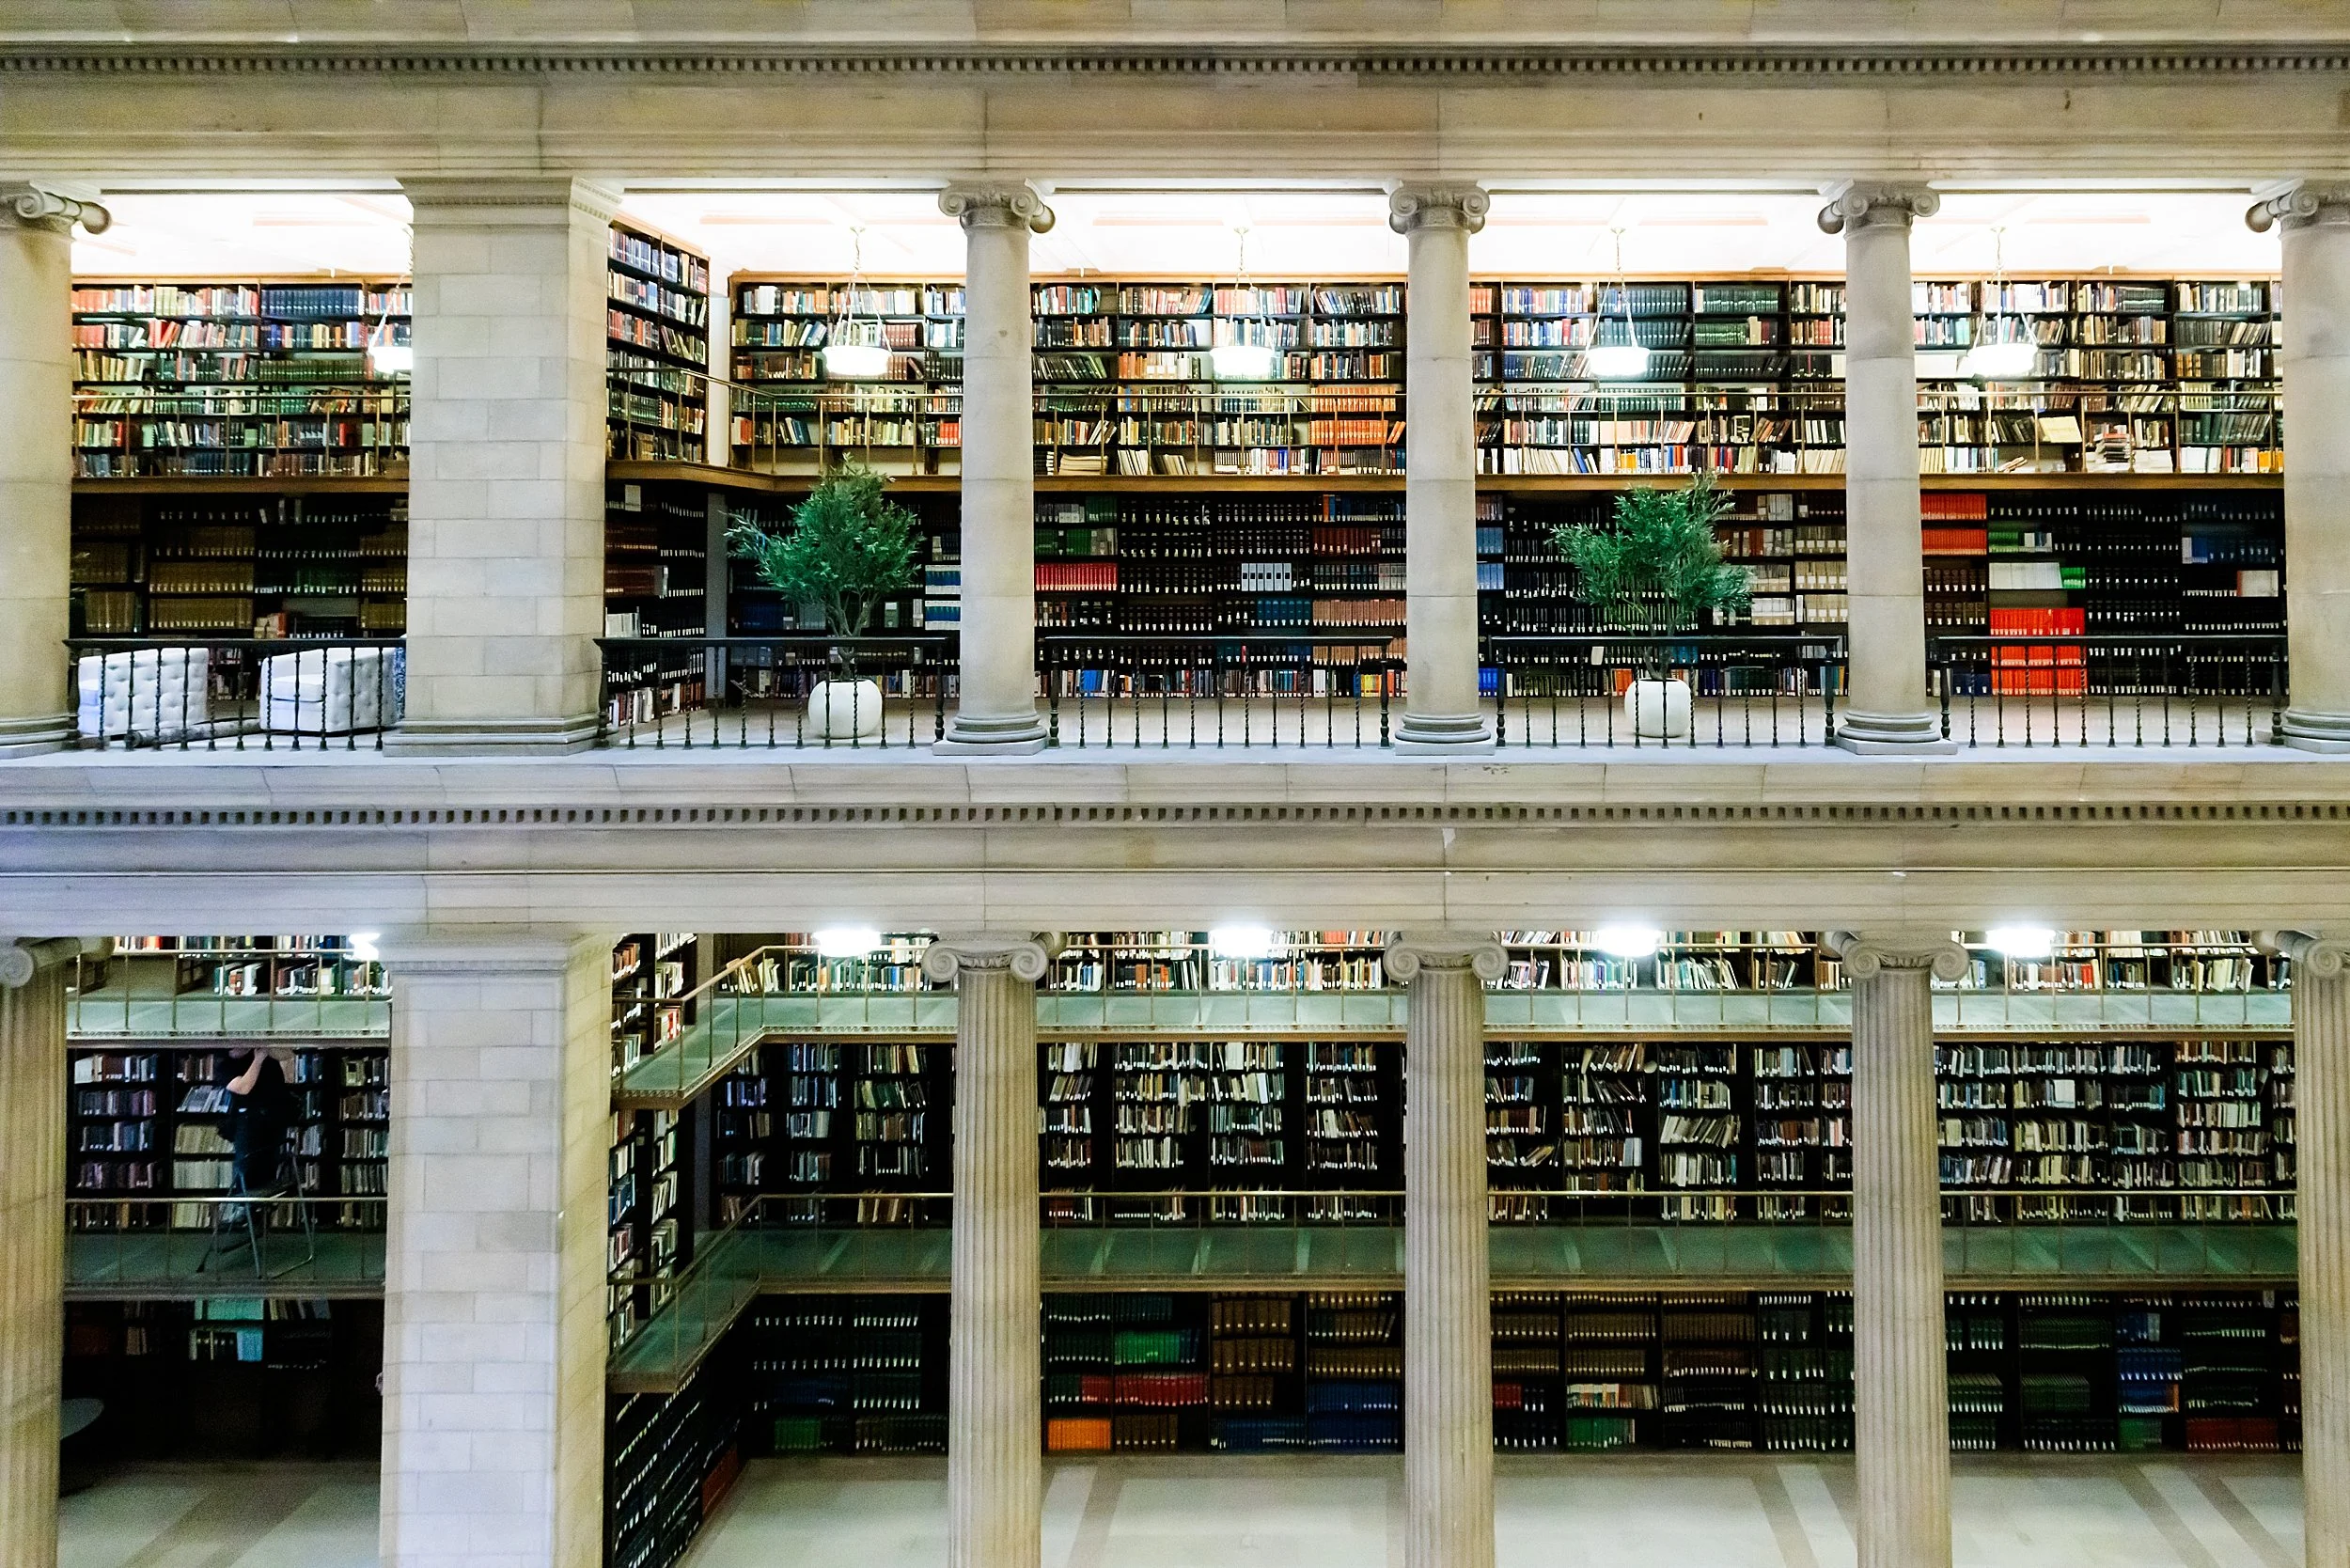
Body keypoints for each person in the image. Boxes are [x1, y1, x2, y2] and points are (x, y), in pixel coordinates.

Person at [223, 1045, 297, 1219]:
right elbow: (244, 1087)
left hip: (275, 1116)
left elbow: (288, 1053)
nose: (240, 1048)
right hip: (248, 1119)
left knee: (270, 1161)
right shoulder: (224, 1065)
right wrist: (258, 1060)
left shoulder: (260, 1050)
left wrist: (265, 1046)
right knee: (246, 1163)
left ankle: (263, 1205)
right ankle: (245, 1206)